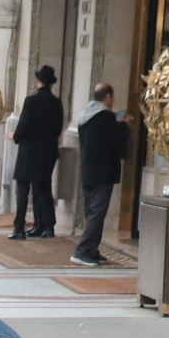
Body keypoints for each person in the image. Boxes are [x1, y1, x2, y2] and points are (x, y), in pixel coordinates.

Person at [71, 82, 127, 267]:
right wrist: (123, 125)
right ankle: (82, 250)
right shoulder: (105, 117)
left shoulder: (84, 116)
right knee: (97, 213)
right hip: (103, 172)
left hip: (87, 170)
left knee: (91, 212)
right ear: (108, 97)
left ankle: (92, 249)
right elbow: (117, 142)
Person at [7, 64, 64, 239]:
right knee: (44, 187)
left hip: (29, 151)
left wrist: (14, 136)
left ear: (38, 81)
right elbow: (58, 128)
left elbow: (24, 126)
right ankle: (48, 227)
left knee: (23, 189)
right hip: (48, 152)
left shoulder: (31, 101)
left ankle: (19, 228)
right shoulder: (57, 103)